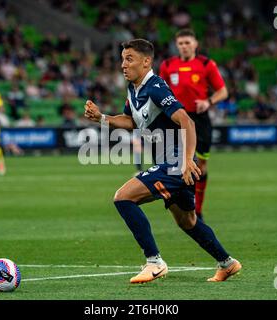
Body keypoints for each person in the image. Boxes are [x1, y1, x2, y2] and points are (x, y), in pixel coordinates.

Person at [84, 39, 241, 284]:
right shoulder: (134, 89)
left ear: (146, 62)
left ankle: (154, 262)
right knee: (187, 221)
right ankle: (227, 263)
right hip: (170, 162)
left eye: (129, 59)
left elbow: (186, 121)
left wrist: (188, 160)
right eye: (122, 59)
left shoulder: (156, 87)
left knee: (123, 198)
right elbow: (131, 121)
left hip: (176, 162)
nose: (123, 65)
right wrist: (102, 117)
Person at [159, 29, 228, 221]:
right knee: (175, 164)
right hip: (176, 119)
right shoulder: (167, 65)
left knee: (201, 166)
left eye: (188, 42)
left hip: (200, 120)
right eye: (181, 43)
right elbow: (160, 91)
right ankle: (181, 206)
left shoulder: (206, 64)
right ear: (177, 45)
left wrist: (208, 102)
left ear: (195, 44)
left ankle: (198, 208)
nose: (184, 46)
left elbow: (223, 91)